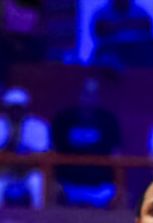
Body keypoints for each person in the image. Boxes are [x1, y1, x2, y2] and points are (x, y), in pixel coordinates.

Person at [51, 77, 122, 208]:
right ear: (79, 94)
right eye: (86, 93)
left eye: (94, 94)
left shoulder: (109, 121)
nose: (90, 98)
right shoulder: (64, 119)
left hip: (100, 187)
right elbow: (54, 152)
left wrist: (117, 184)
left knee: (113, 193)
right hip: (69, 185)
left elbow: (116, 153)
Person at [0, 86, 51, 208]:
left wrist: (24, 159)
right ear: (5, 109)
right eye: (12, 108)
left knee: (37, 182)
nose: (16, 113)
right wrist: (7, 149)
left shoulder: (39, 126)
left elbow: (43, 154)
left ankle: (39, 218)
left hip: (29, 171)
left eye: (19, 108)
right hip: (1, 171)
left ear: (26, 109)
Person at [91, 0, 153, 69]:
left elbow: (148, 33)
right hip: (112, 49)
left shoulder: (141, 13)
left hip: (139, 50)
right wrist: (128, 26)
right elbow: (100, 36)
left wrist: (119, 27)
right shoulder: (103, 15)